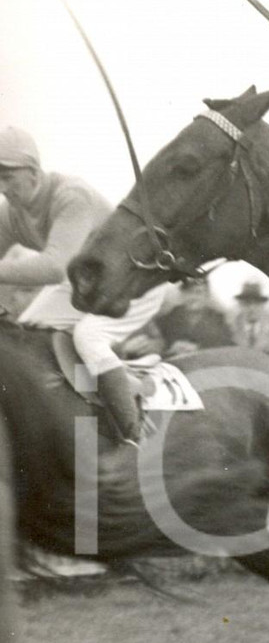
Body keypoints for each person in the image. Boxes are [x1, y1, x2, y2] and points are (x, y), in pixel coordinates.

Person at [0, 127, 172, 444]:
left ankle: (134, 436)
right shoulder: (12, 213)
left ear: (33, 171)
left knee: (88, 336)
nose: (2, 187)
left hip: (134, 282)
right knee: (26, 333)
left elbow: (54, 267)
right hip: (86, 285)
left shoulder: (70, 195)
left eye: (8, 175)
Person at [229, 278, 269, 353]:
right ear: (240, 305)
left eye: (257, 303)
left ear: (263, 305)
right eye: (247, 303)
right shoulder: (230, 329)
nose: (252, 308)